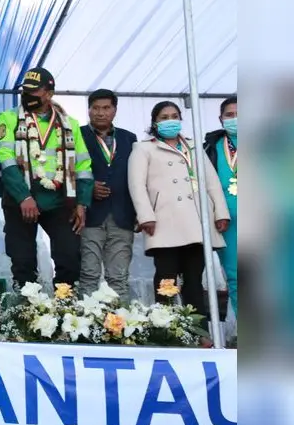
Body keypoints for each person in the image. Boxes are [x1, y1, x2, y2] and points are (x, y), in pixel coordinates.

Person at [129, 101, 230, 319]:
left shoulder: (193, 146)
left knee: (194, 279)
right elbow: (137, 186)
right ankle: (165, 328)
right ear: (155, 121)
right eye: (164, 117)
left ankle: (199, 329)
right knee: (166, 279)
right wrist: (146, 216)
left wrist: (220, 212)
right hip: (164, 222)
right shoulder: (144, 148)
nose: (170, 120)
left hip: (196, 223)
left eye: (174, 116)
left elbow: (211, 182)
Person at [0, 68, 93, 291]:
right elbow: (7, 161)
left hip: (60, 201)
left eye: (33, 91)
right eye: (24, 90)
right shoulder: (8, 118)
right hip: (21, 200)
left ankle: (63, 313)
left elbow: (84, 166)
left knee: (69, 258)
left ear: (49, 93)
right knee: (23, 262)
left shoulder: (71, 124)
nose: (26, 95)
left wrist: (82, 203)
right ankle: (29, 315)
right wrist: (24, 197)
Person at [79, 89, 138, 299]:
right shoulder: (77, 135)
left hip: (122, 215)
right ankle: (87, 329)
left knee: (119, 277)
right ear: (88, 110)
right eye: (95, 108)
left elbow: (138, 178)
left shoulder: (130, 139)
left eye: (106, 108)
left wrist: (139, 212)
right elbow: (68, 171)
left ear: (115, 110)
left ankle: (119, 328)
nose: (100, 113)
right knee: (88, 275)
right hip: (89, 216)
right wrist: (88, 188)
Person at [204, 95, 238, 315]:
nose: (235, 119)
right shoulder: (212, 147)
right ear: (220, 118)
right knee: (236, 277)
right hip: (229, 223)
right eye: (230, 115)